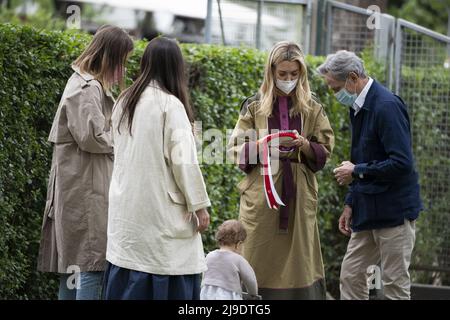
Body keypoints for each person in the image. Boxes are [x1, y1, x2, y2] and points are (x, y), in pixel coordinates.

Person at [103, 37, 211, 300]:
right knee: (164, 264)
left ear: (145, 63)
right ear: (176, 67)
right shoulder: (170, 105)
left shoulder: (124, 100)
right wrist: (200, 206)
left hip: (126, 215)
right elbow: (184, 162)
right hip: (159, 219)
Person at [227, 41, 335, 299]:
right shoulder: (253, 106)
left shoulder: (313, 106)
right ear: (271, 72)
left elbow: (325, 149)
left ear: (302, 74)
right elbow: (235, 148)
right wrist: (260, 145)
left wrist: (306, 145)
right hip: (261, 197)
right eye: (282, 74)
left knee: (300, 261)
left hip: (298, 195)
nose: (288, 79)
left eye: (294, 75)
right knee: (255, 254)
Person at [37, 25, 133, 300]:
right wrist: (127, 138)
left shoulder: (85, 83)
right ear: (110, 57)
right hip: (85, 190)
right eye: (122, 62)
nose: (123, 70)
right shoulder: (87, 87)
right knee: (90, 265)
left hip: (81, 186)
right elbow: (94, 137)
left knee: (74, 266)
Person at [317, 50, 422, 300]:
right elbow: (360, 159)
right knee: (351, 276)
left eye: (335, 88)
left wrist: (357, 172)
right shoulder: (357, 107)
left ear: (353, 78)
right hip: (367, 209)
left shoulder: (386, 106)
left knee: (394, 285)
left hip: (394, 211)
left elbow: (401, 163)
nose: (335, 95)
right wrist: (350, 202)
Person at [200, 220, 258, 300]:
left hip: (206, 293)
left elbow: (204, 274)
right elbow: (250, 279)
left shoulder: (210, 255)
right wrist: (253, 293)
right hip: (228, 295)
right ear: (239, 244)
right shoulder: (238, 260)